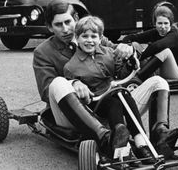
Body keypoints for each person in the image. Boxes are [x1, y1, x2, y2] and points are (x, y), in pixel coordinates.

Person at [33, 0, 178, 160]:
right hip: (72, 113)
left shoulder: (91, 34)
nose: (65, 29)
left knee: (159, 82)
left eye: (68, 22)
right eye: (58, 25)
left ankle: (161, 136)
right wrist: (73, 83)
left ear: (76, 19)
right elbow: (47, 91)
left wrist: (127, 49)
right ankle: (105, 139)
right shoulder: (43, 52)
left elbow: (114, 53)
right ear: (49, 27)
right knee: (59, 83)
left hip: (109, 105)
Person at [63, 15, 156, 163]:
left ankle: (140, 143)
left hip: (116, 95)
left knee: (123, 95)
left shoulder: (108, 53)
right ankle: (120, 145)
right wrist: (78, 87)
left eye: (94, 36)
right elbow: (73, 94)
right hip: (95, 104)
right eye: (84, 36)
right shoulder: (71, 66)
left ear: (100, 38)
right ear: (77, 38)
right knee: (116, 100)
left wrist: (130, 64)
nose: (89, 40)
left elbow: (122, 72)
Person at [122, 1, 178, 80]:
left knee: (166, 51)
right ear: (155, 23)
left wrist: (140, 57)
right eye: (160, 23)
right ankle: (127, 71)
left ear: (170, 23)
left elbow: (157, 46)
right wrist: (124, 46)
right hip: (161, 69)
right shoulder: (155, 32)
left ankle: (138, 78)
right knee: (135, 44)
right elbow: (131, 37)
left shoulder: (174, 35)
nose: (163, 27)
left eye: (166, 23)